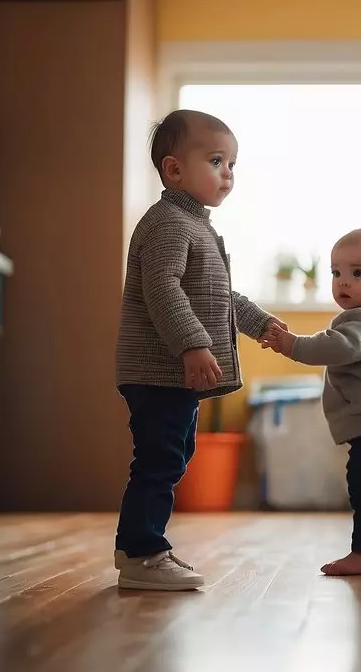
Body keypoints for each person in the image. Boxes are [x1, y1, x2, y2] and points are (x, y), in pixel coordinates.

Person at [114, 109, 285, 591]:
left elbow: (218, 296)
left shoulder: (195, 226)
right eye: (216, 160)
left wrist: (259, 324)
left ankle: (141, 548)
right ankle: (142, 553)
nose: (228, 173)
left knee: (171, 453)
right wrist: (192, 345)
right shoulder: (169, 223)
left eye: (232, 163)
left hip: (169, 372)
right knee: (159, 458)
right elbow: (162, 288)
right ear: (174, 170)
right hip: (157, 368)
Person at [262, 227, 361, 576]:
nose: (343, 282)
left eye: (357, 273)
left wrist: (292, 345)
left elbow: (338, 346)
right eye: (336, 272)